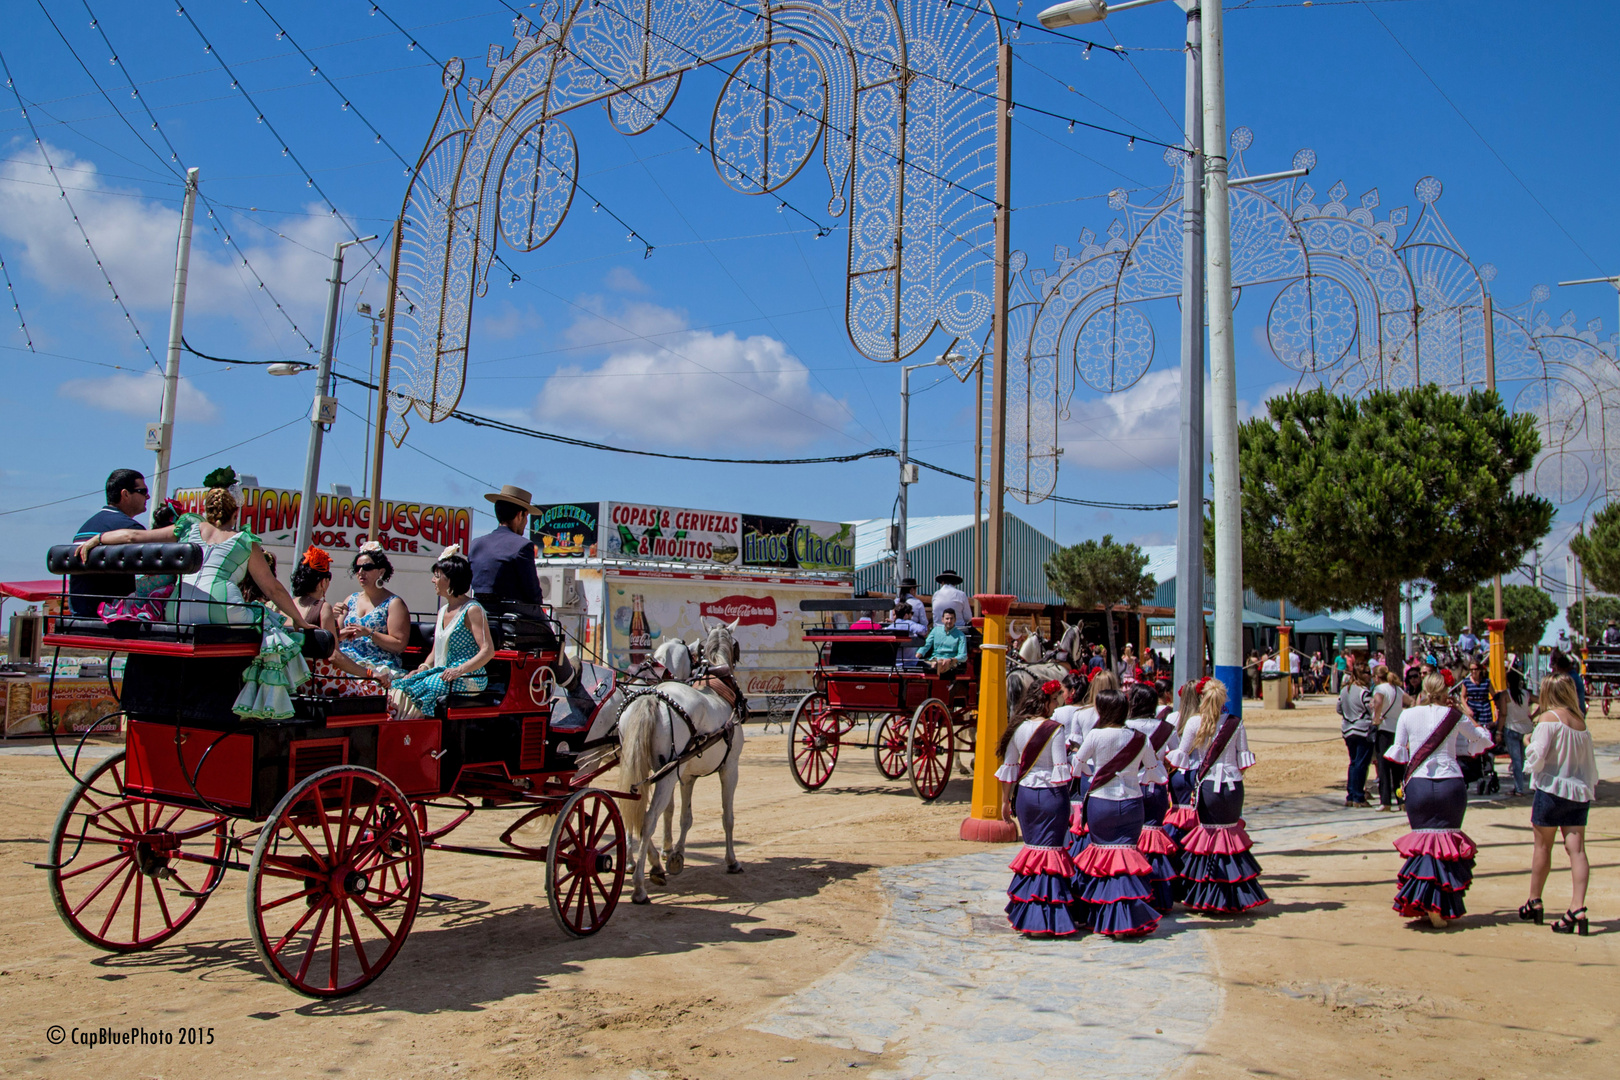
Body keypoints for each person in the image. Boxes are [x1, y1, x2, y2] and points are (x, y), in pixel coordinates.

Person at [74, 467, 309, 633]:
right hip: (222, 606)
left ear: (207, 511)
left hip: (178, 608)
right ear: (236, 513)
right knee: (275, 628)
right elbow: (273, 589)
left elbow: (132, 536)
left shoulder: (188, 527)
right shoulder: (244, 540)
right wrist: (300, 620)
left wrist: (98, 539)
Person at [1382, 672, 1495, 927]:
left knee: (1423, 846)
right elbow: (1481, 739)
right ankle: (1440, 906)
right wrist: (1461, 711)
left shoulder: (1408, 714)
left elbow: (1399, 751)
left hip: (1419, 785)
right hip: (1450, 784)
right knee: (1446, 847)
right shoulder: (1453, 716)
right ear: (1447, 691)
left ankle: (1424, 901)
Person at [1168, 678, 1269, 913]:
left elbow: (1182, 756)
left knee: (1209, 840)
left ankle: (1209, 896)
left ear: (1203, 698)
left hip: (1207, 786)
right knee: (1231, 839)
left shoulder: (1194, 722)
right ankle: (1235, 895)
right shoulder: (1236, 723)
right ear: (1224, 699)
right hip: (1233, 787)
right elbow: (1243, 759)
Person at [1069, 688, 1160, 936]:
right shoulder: (1140, 737)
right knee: (1127, 860)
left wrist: (1096, 773)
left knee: (1103, 859)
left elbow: (1077, 765)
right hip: (1132, 802)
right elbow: (1154, 769)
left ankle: (1103, 917)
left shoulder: (1096, 735)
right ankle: (1129, 918)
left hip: (1101, 803)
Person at [997, 682, 1078, 937]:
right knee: (1051, 854)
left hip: (1025, 797)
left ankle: (1029, 915)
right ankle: (1048, 918)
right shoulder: (1055, 730)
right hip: (1052, 796)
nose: (1057, 705)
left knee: (1033, 854)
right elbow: (1060, 767)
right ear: (1045, 701)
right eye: (1055, 700)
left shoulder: (1018, 727)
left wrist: (1004, 801)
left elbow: (1009, 766)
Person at [1519, 673, 1599, 935]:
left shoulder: (1548, 719)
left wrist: (1527, 741)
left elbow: (1537, 757)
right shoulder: (1581, 724)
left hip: (1552, 790)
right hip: (1578, 792)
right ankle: (1578, 906)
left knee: (1543, 848)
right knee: (1577, 851)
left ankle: (1534, 899)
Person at [390, 547, 495, 720]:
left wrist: (459, 670)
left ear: (452, 580)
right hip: (442, 671)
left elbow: (487, 650)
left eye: (437, 576)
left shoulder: (472, 610)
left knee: (425, 686)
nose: (433, 580)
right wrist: (422, 667)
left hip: (469, 675)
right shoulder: (443, 610)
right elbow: (435, 651)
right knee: (401, 683)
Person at [291, 546, 393, 697]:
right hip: (319, 681)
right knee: (377, 692)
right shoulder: (322, 608)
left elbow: (310, 641)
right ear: (323, 582)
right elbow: (334, 656)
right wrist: (371, 673)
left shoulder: (289, 605)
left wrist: (337, 636)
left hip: (295, 679)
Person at [1125, 682, 1180, 913]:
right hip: (1155, 788)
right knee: (1155, 842)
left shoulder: (1124, 726)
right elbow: (1176, 757)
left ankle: (1134, 892)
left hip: (1128, 789)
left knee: (1130, 842)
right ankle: (1159, 896)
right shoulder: (1167, 728)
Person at [68, 469, 151, 616]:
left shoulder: (83, 529)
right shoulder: (130, 529)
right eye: (143, 491)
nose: (148, 496)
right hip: (113, 619)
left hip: (79, 615)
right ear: (125, 494)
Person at [335, 543, 411, 679]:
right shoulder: (350, 599)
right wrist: (335, 622)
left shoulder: (394, 603)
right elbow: (335, 636)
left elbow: (399, 645)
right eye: (357, 568)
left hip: (377, 664)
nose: (361, 572)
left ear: (381, 572)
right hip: (347, 661)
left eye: (367, 567)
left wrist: (369, 633)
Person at [468, 484, 544, 609]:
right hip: (512, 616)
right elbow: (533, 594)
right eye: (526, 517)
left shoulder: (476, 544)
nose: (525, 523)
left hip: (479, 612)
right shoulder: (523, 545)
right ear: (520, 515)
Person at [1371, 665, 1409, 811]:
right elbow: (1411, 701)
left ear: (1376, 677)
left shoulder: (1379, 689)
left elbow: (1378, 702)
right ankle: (1402, 800)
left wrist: (1376, 718)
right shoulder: (1398, 689)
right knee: (1398, 767)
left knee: (1384, 767)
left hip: (1384, 729)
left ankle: (1386, 801)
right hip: (1398, 730)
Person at [1338, 664, 1375, 808]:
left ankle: (1351, 795)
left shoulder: (1344, 690)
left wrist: (1348, 715)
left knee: (1353, 762)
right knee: (1361, 763)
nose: (1369, 676)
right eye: (1367, 673)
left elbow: (1338, 708)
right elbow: (1370, 709)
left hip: (1347, 729)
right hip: (1362, 729)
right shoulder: (1364, 692)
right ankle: (1359, 796)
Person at [1495, 668, 1535, 798]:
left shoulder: (1505, 695)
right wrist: (1533, 716)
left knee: (1516, 761)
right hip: (1527, 729)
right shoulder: (1526, 694)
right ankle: (1529, 785)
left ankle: (1519, 788)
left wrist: (1499, 731)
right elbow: (1543, 702)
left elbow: (1503, 714)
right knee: (1525, 759)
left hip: (1511, 728)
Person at [915, 607, 967, 677]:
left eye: (951, 619)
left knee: (940, 664)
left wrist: (951, 660)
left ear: (955, 620)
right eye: (947, 619)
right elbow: (926, 645)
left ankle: (935, 677)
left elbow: (963, 656)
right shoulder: (935, 630)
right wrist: (917, 655)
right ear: (942, 619)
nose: (949, 621)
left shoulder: (960, 635)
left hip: (949, 662)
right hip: (934, 659)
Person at [1549, 650, 1587, 715]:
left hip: (1574, 712)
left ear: (1562, 669)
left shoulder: (1568, 679)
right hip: (1578, 711)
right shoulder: (1574, 675)